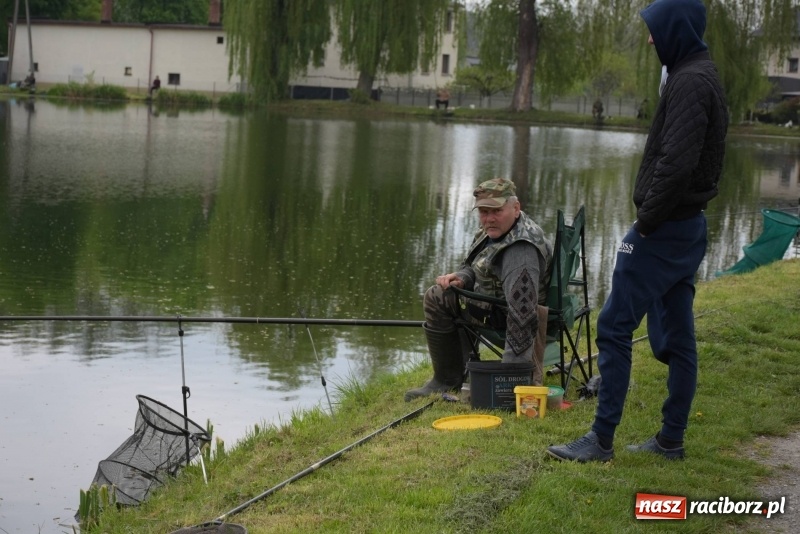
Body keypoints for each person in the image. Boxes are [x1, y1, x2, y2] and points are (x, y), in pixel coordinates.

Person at [547, 0, 728, 463]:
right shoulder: (700, 73)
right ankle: (670, 440)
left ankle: (601, 438)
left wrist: (645, 224)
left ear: (676, 29)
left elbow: (677, 164)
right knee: (678, 337)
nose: (650, 39)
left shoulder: (689, 81)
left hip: (664, 228)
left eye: (655, 29)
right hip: (688, 226)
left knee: (613, 326)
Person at [405, 178, 553, 401]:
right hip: (491, 303)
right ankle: (453, 376)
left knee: (436, 297)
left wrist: (510, 382)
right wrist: (462, 278)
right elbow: (475, 265)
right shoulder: (497, 230)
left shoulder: (520, 252)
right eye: (483, 212)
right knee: (442, 292)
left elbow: (522, 317)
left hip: (503, 316)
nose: (489, 218)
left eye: (496, 211)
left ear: (516, 208)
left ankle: (447, 380)